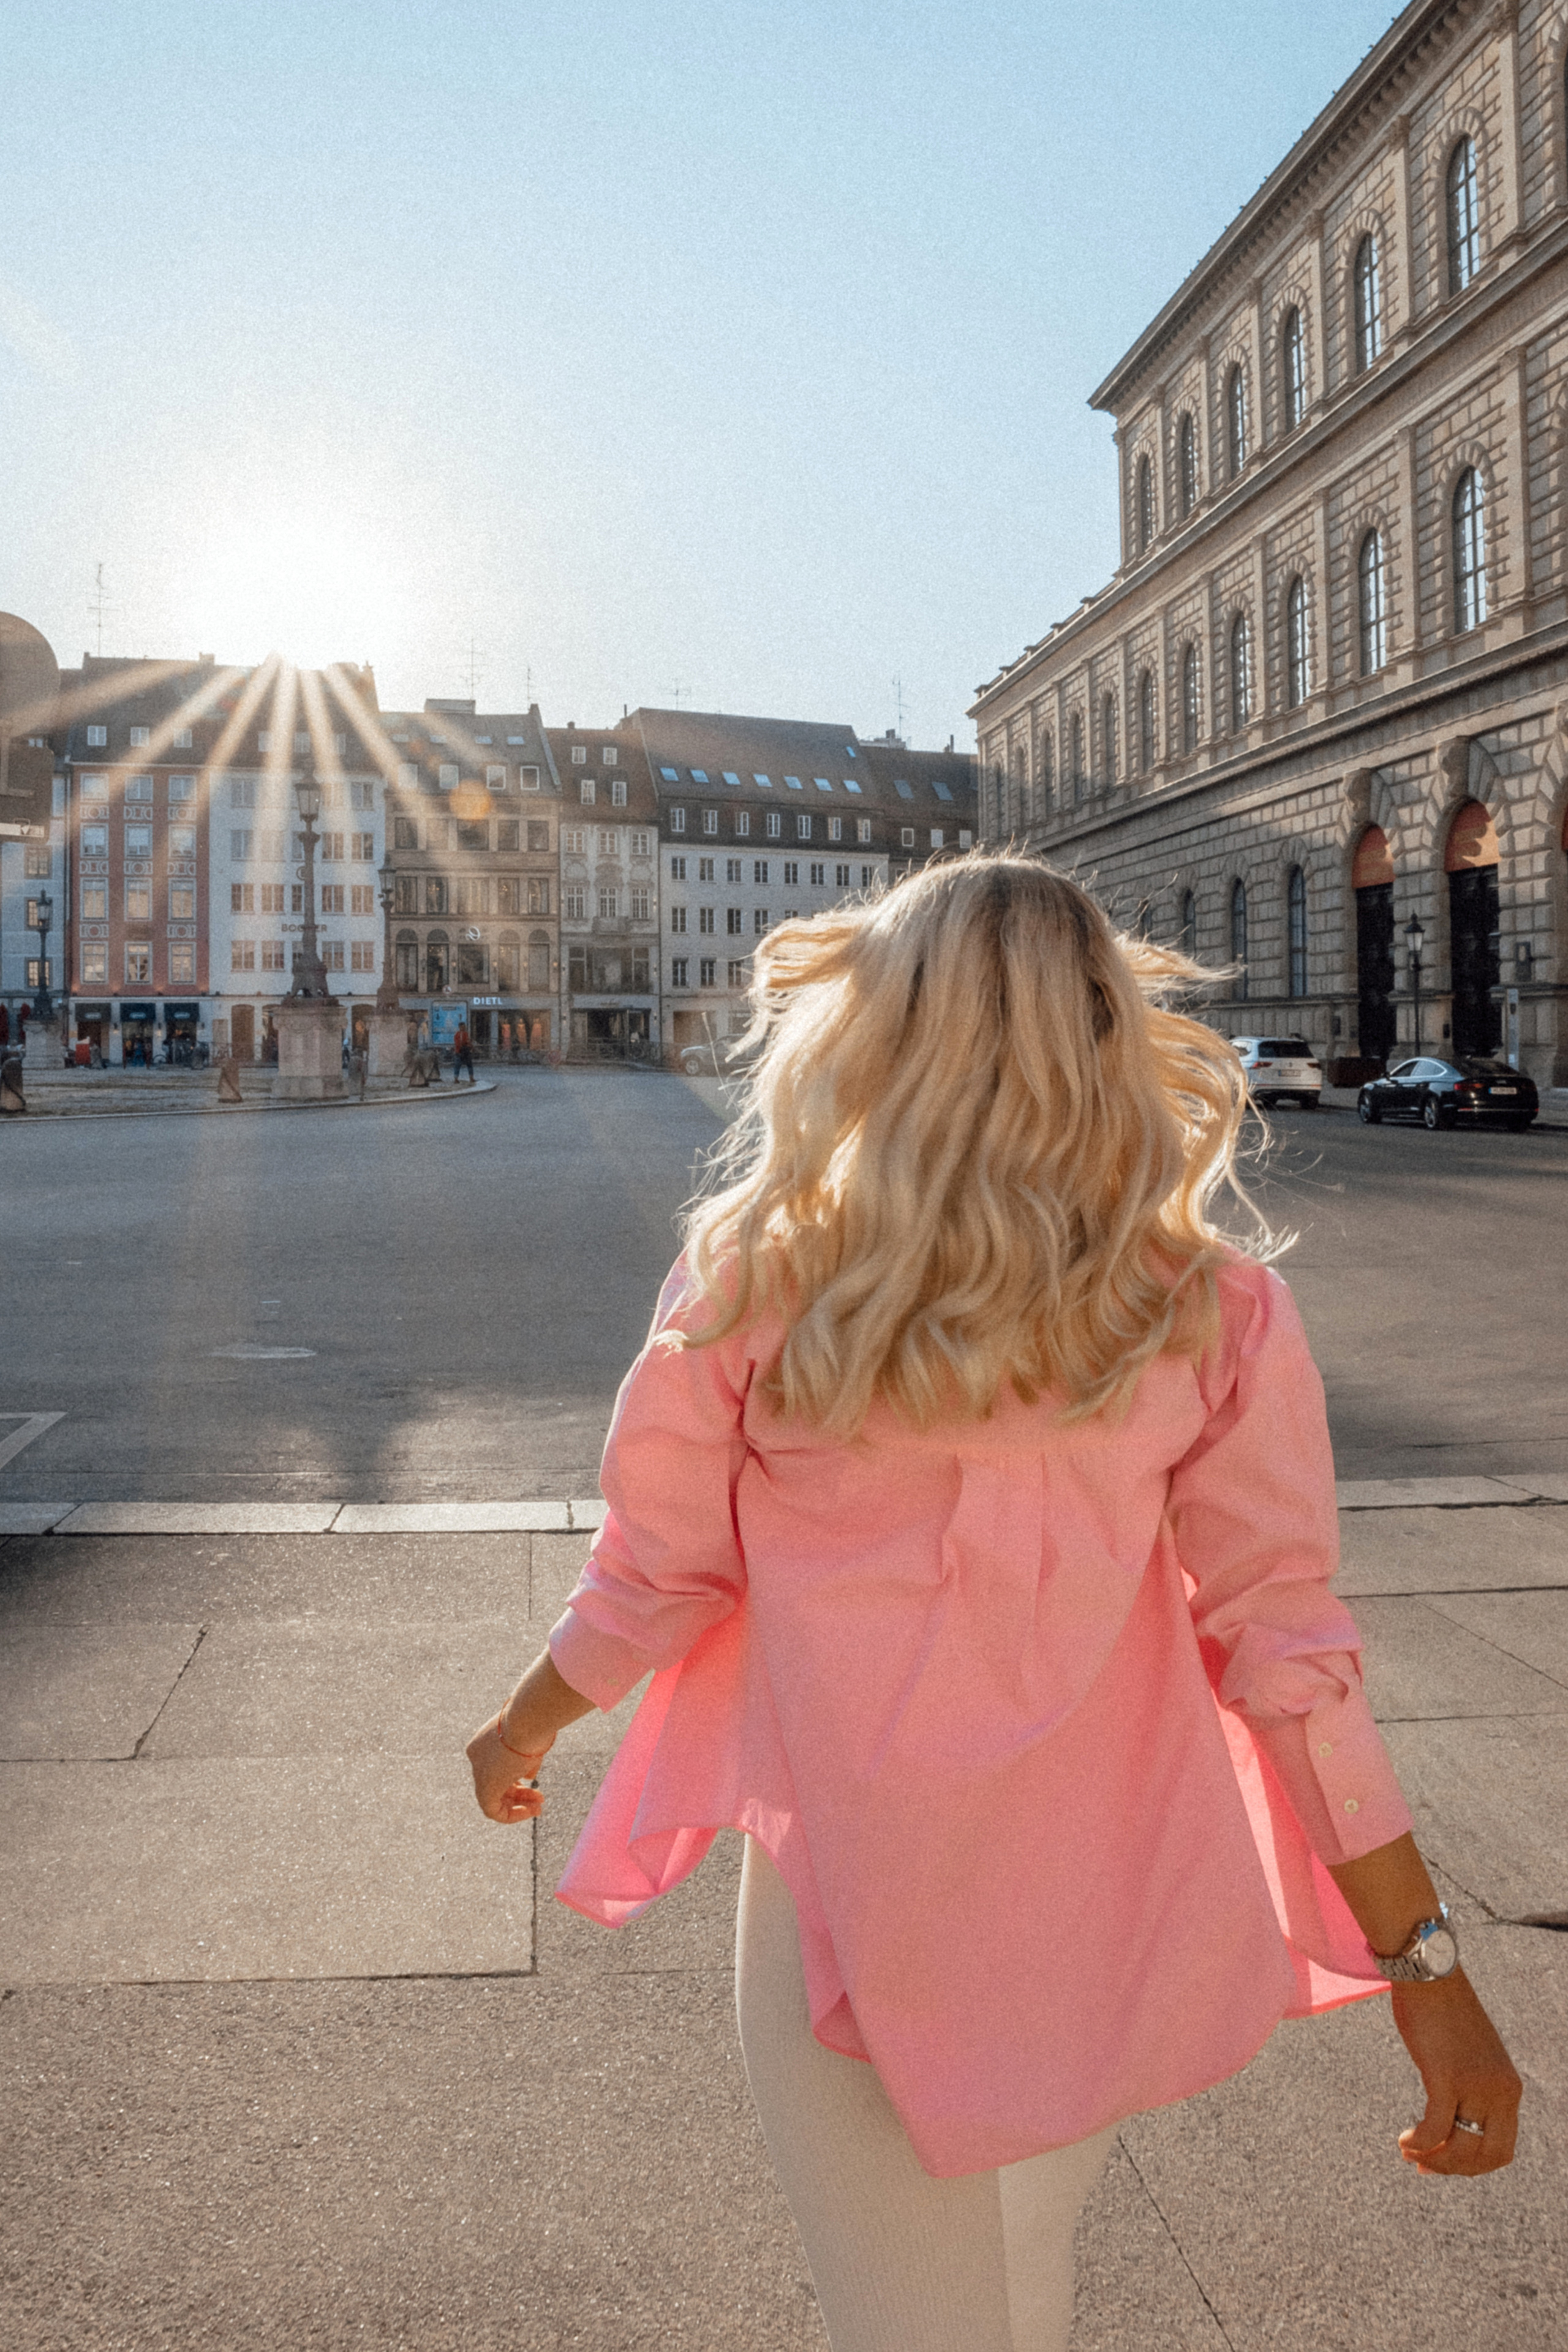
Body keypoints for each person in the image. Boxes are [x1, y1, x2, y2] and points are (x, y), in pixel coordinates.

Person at [467, 856, 1520, 2352]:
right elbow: (1286, 1651)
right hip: (1088, 1905)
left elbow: (659, 1572)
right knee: (1017, 2302)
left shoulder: (755, 1279)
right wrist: (1428, 1969)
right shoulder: (1203, 1308)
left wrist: (519, 1725)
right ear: (1101, 1037)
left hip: (851, 1895)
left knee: (923, 2321)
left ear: (874, 1034)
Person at [452, 1020, 475, 1084]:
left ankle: (456, 1078)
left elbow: (457, 1043)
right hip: (464, 1052)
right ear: (460, 1027)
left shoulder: (457, 1034)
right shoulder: (464, 1034)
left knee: (457, 1066)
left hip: (458, 1052)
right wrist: (471, 1047)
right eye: (463, 1027)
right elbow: (466, 1042)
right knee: (469, 1065)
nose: (464, 1028)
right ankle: (471, 1078)